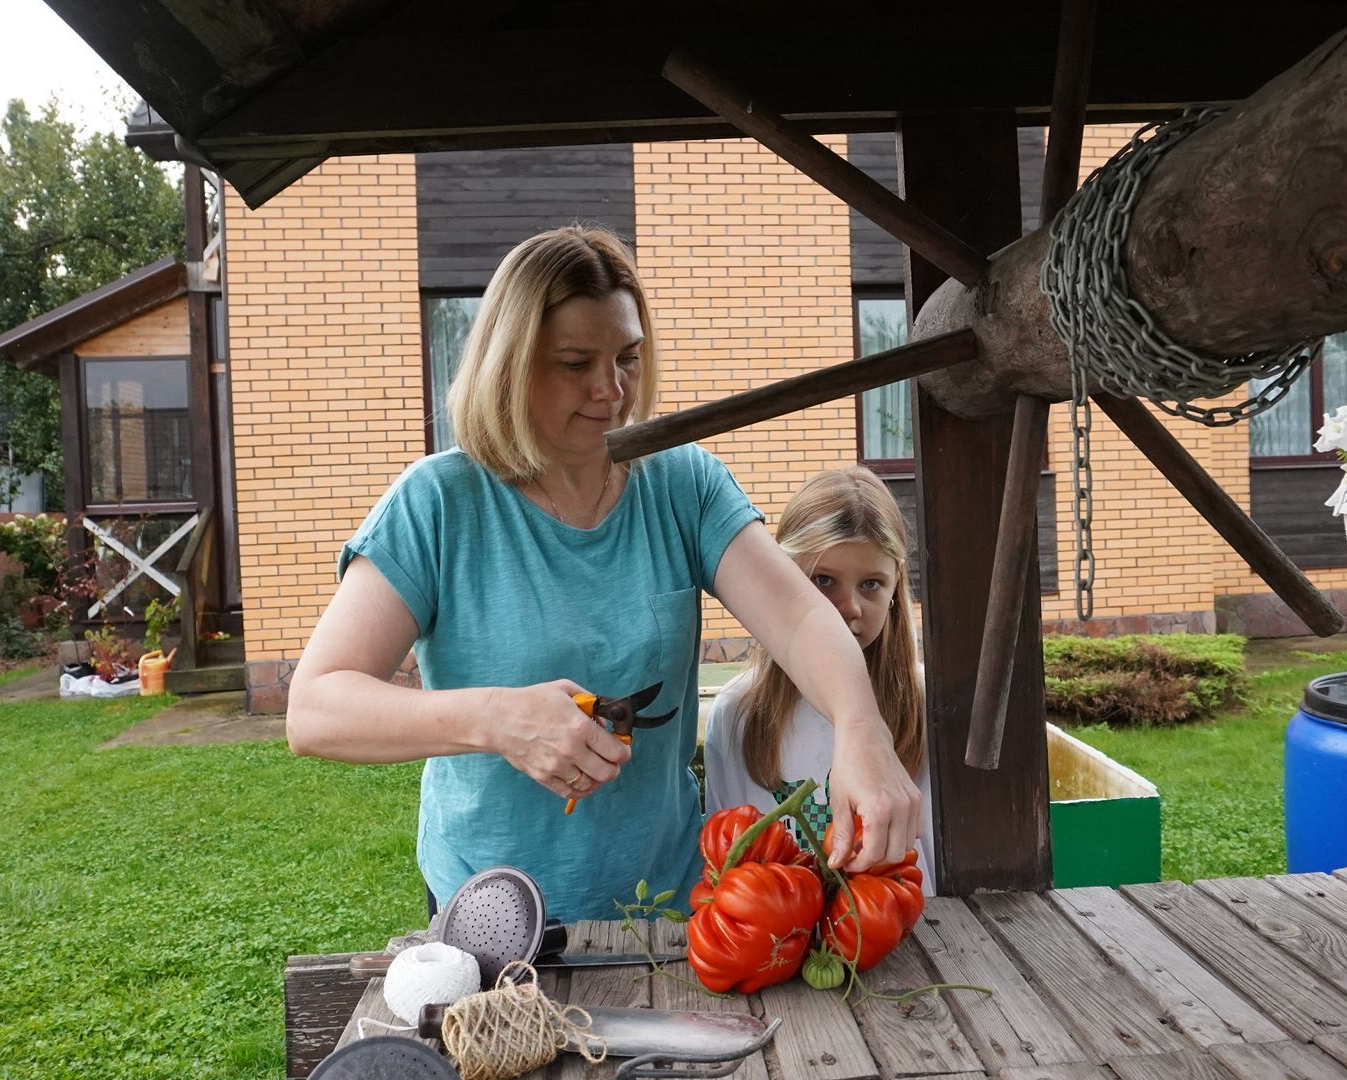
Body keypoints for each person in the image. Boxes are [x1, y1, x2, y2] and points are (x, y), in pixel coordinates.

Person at [285, 225, 920, 922]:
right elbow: (317, 709)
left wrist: (862, 731)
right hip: (492, 910)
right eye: (574, 362)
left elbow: (799, 619)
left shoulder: (684, 484)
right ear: (510, 363)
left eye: (628, 357)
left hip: (670, 903)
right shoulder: (437, 503)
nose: (611, 388)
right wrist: (496, 719)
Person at [704, 466, 936, 893]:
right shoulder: (738, 713)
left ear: (895, 588)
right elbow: (727, 864)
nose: (849, 607)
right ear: (782, 578)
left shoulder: (929, 704)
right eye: (823, 580)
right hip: (777, 942)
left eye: (871, 584)